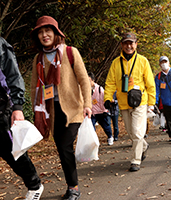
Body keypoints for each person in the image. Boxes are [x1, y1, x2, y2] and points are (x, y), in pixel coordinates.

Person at [30, 16, 92, 200]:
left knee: (65, 146)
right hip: (52, 111)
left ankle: (73, 187)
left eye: (48, 31)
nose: (44, 35)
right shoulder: (38, 58)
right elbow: (34, 86)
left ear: (56, 33)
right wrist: (37, 112)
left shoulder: (71, 52)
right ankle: (71, 184)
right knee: (62, 148)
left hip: (73, 109)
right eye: (40, 32)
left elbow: (84, 80)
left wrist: (87, 104)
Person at [104, 32, 156, 172]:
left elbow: (150, 83)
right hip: (123, 102)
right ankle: (144, 147)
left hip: (140, 101)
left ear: (136, 44)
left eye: (131, 43)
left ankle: (135, 160)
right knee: (131, 132)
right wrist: (107, 98)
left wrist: (151, 103)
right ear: (121, 45)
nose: (129, 46)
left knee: (138, 132)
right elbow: (110, 83)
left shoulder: (143, 61)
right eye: (126, 43)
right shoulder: (116, 63)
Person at [0, 37, 44, 200]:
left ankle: (34, 185)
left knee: (12, 152)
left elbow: (13, 75)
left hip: (2, 109)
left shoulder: (1, 45)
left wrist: (17, 108)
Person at [88, 72, 114, 145]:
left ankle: (110, 137)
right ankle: (94, 141)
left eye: (89, 80)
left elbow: (105, 98)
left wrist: (106, 108)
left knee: (106, 126)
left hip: (101, 112)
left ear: (93, 80)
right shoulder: (86, 90)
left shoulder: (99, 89)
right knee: (91, 128)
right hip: (93, 113)